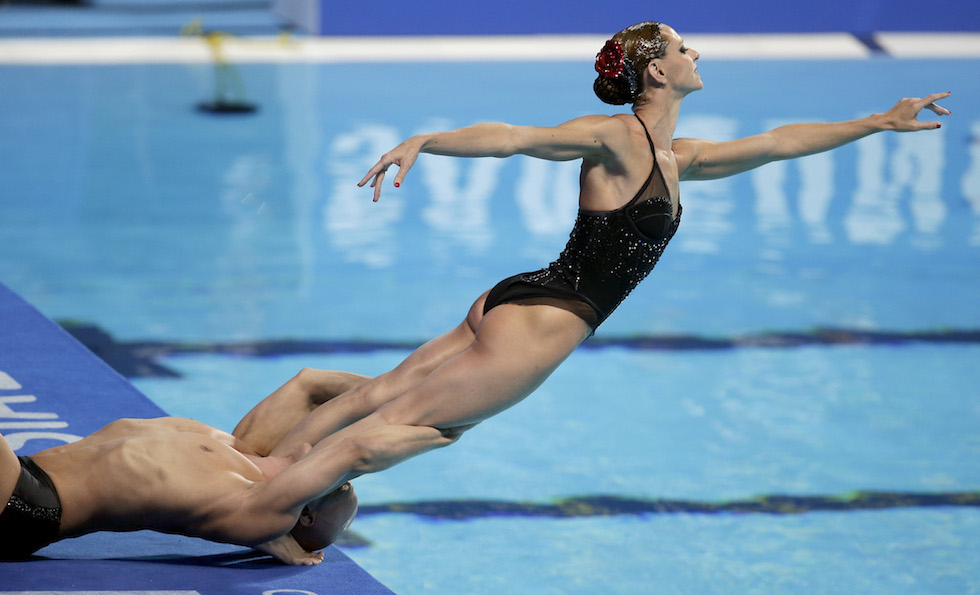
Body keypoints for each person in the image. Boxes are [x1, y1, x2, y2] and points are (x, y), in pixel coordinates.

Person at [269, 23, 951, 465]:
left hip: (527, 295)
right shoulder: (619, 136)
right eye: (684, 48)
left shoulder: (676, 156)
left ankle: (259, 463)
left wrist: (876, 122)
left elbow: (777, 143)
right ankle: (265, 494)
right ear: (657, 72)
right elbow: (514, 137)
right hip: (543, 318)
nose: (696, 53)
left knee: (378, 398)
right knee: (404, 426)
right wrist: (427, 140)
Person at [0, 368, 452, 565]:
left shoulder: (250, 504)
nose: (349, 487)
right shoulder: (245, 450)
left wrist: (447, 426)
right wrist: (402, 392)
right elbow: (311, 383)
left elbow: (356, 451)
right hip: (21, 475)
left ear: (303, 514)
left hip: (25, 508)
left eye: (344, 495)